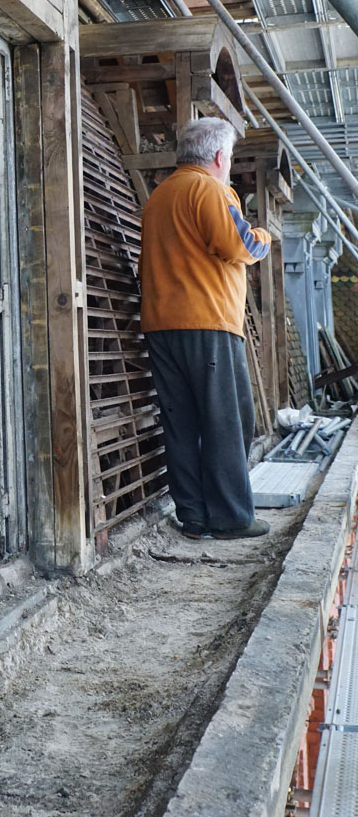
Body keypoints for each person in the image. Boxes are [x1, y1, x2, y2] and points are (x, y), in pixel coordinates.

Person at [139, 117, 271, 540]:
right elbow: (241, 244)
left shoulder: (159, 196)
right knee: (227, 421)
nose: (229, 166)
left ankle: (193, 516)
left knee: (182, 424)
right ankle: (232, 517)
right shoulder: (208, 189)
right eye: (229, 159)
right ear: (218, 157)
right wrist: (265, 237)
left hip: (161, 326)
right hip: (208, 323)